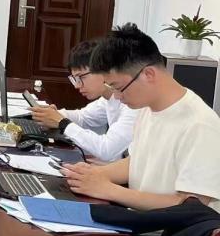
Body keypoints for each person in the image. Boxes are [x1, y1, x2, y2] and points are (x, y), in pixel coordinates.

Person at [61, 24, 220, 211]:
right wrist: (94, 174)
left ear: (148, 74)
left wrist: (109, 190)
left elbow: (192, 208)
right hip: (138, 218)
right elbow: (136, 162)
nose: (117, 97)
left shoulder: (200, 125)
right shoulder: (147, 107)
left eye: (118, 88)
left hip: (167, 228)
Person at [30, 39, 137, 162]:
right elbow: (83, 117)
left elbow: (107, 150)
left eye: (81, 77)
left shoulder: (133, 105)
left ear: (104, 70)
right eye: (75, 79)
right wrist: (52, 115)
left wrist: (62, 122)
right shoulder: (108, 99)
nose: (77, 85)